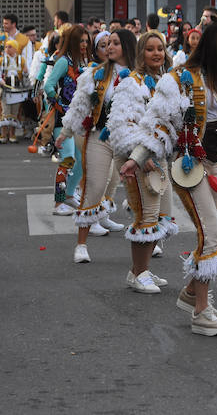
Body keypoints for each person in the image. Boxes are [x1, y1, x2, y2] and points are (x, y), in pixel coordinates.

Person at [120, 21, 217, 336]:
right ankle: (201, 312)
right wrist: (136, 158)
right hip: (188, 166)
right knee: (212, 234)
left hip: (215, 163)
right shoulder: (178, 79)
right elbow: (160, 125)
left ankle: (192, 291)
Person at [57, 30, 136, 263]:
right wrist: (66, 132)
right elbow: (79, 105)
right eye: (107, 43)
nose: (109, 47)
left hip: (130, 139)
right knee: (94, 186)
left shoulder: (139, 76)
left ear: (127, 47)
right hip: (99, 136)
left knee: (138, 189)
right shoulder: (96, 74)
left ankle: (147, 236)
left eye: (115, 43)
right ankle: (81, 244)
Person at [107, 32, 175, 291]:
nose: (156, 53)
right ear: (140, 53)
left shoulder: (164, 81)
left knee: (158, 217)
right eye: (150, 49)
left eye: (160, 48)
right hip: (137, 161)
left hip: (159, 159)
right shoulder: (130, 83)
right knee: (146, 216)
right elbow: (122, 125)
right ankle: (140, 274)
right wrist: (141, 156)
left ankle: (138, 271)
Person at [44, 26, 90, 215]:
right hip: (62, 118)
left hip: (79, 118)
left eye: (87, 41)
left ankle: (69, 195)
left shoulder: (83, 61)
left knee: (81, 161)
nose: (85, 45)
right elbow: (48, 85)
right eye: (81, 41)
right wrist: (60, 104)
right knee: (68, 158)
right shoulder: (63, 61)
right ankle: (58, 202)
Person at [0, 39, 29, 144]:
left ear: (15, 48)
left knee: (15, 112)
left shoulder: (22, 60)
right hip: (5, 89)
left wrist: (25, 73)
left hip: (17, 89)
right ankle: (3, 135)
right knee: (5, 111)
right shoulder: (1, 60)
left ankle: (12, 134)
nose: (7, 49)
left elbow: (27, 75)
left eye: (9, 47)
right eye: (6, 47)